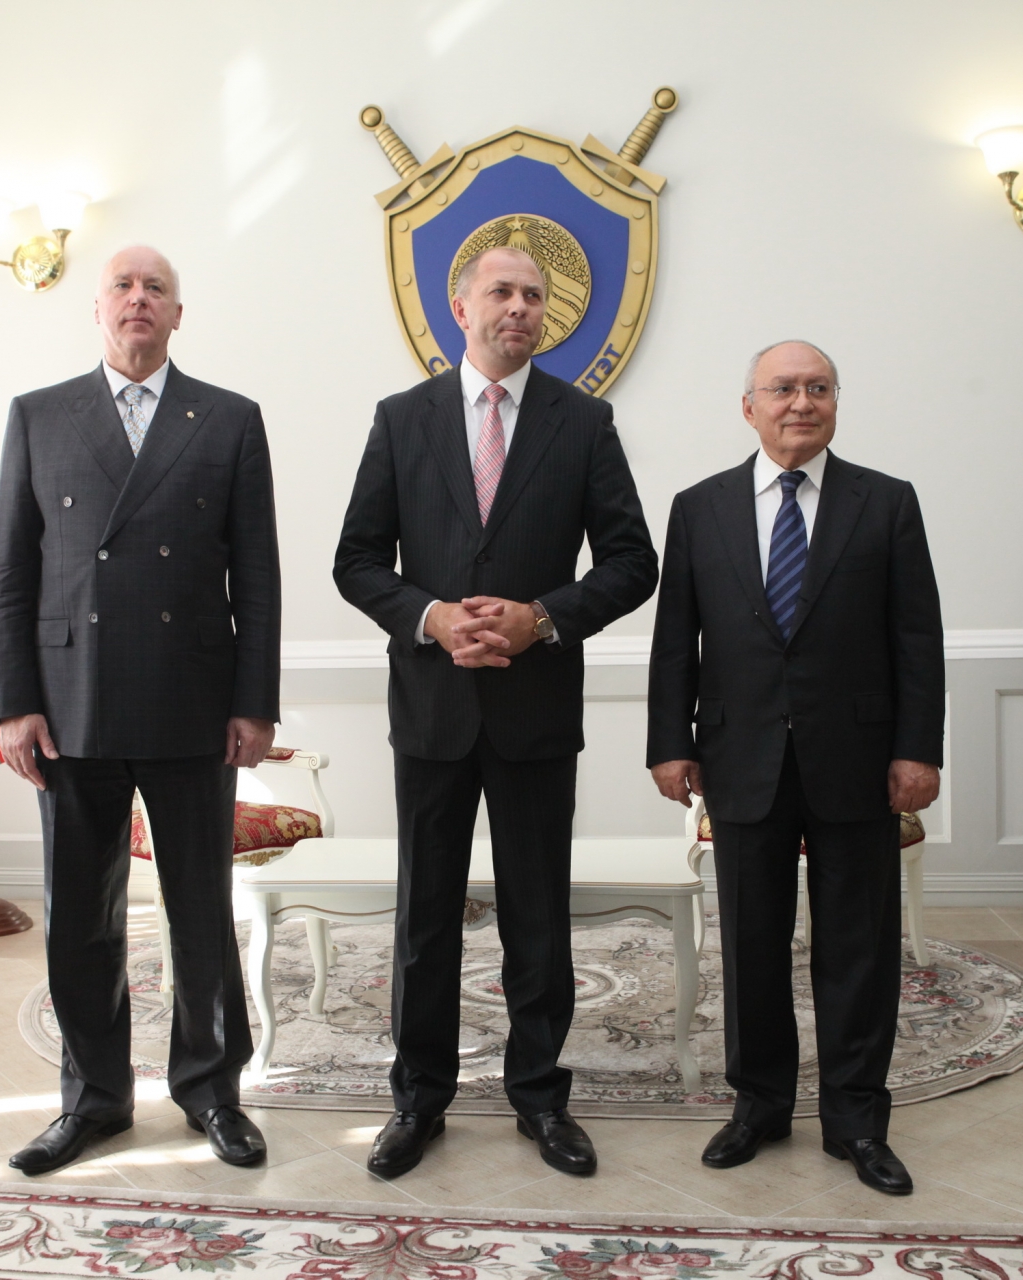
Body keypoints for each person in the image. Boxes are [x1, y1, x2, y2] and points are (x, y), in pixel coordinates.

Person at [333, 245, 658, 1179]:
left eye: (534, 296)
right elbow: (357, 561)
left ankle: (541, 1098)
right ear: (461, 306)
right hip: (431, 712)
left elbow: (633, 562)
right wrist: (432, 618)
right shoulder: (402, 419)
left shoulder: (584, 421)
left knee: (537, 915)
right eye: (502, 292)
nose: (520, 307)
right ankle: (418, 1101)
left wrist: (542, 618)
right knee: (425, 918)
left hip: (535, 711)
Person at [0, 245, 280, 1175]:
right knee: (81, 915)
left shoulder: (229, 418)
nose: (138, 299)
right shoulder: (38, 415)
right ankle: (92, 1101)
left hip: (192, 699)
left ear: (177, 314)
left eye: (157, 288)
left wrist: (254, 702)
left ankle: (212, 1091)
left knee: (200, 912)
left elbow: (257, 575)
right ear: (99, 308)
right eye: (122, 285)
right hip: (69, 703)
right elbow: (11, 570)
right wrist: (14, 702)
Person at [645, 340, 943, 1195]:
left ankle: (856, 1120)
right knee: (751, 943)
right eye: (782, 389)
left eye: (818, 388)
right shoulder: (699, 508)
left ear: (836, 405)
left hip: (858, 760)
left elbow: (917, 637)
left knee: (858, 949)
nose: (800, 403)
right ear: (750, 407)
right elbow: (677, 639)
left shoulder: (887, 502)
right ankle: (760, 1106)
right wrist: (670, 741)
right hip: (740, 758)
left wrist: (918, 750)